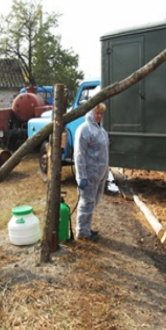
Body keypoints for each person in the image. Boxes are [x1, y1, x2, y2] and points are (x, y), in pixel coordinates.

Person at [73, 103, 109, 241]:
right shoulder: (84, 130)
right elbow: (79, 154)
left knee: (93, 203)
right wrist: (81, 176)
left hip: (100, 175)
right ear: (90, 113)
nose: (99, 116)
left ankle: (86, 228)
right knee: (86, 203)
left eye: (101, 113)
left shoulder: (102, 131)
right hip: (89, 174)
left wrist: (105, 172)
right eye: (96, 113)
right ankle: (82, 232)